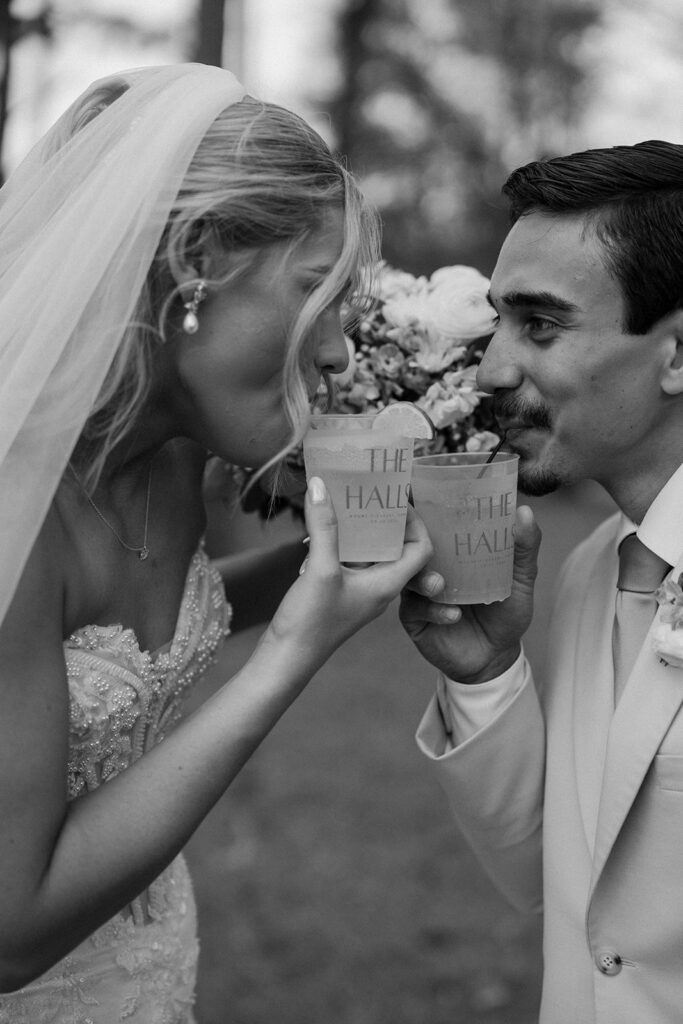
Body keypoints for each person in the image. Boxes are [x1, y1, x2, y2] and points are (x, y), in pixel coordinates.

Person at [0, 63, 432, 1021]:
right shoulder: (11, 508)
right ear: (197, 257)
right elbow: (10, 933)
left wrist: (319, 571)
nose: (337, 354)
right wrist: (293, 654)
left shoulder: (167, 464)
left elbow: (131, 639)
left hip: (143, 972)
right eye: (316, 291)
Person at [400, 140, 683, 1023]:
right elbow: (565, 887)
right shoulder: (593, 565)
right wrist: (482, 676)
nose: (489, 371)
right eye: (497, 322)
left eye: (541, 325)